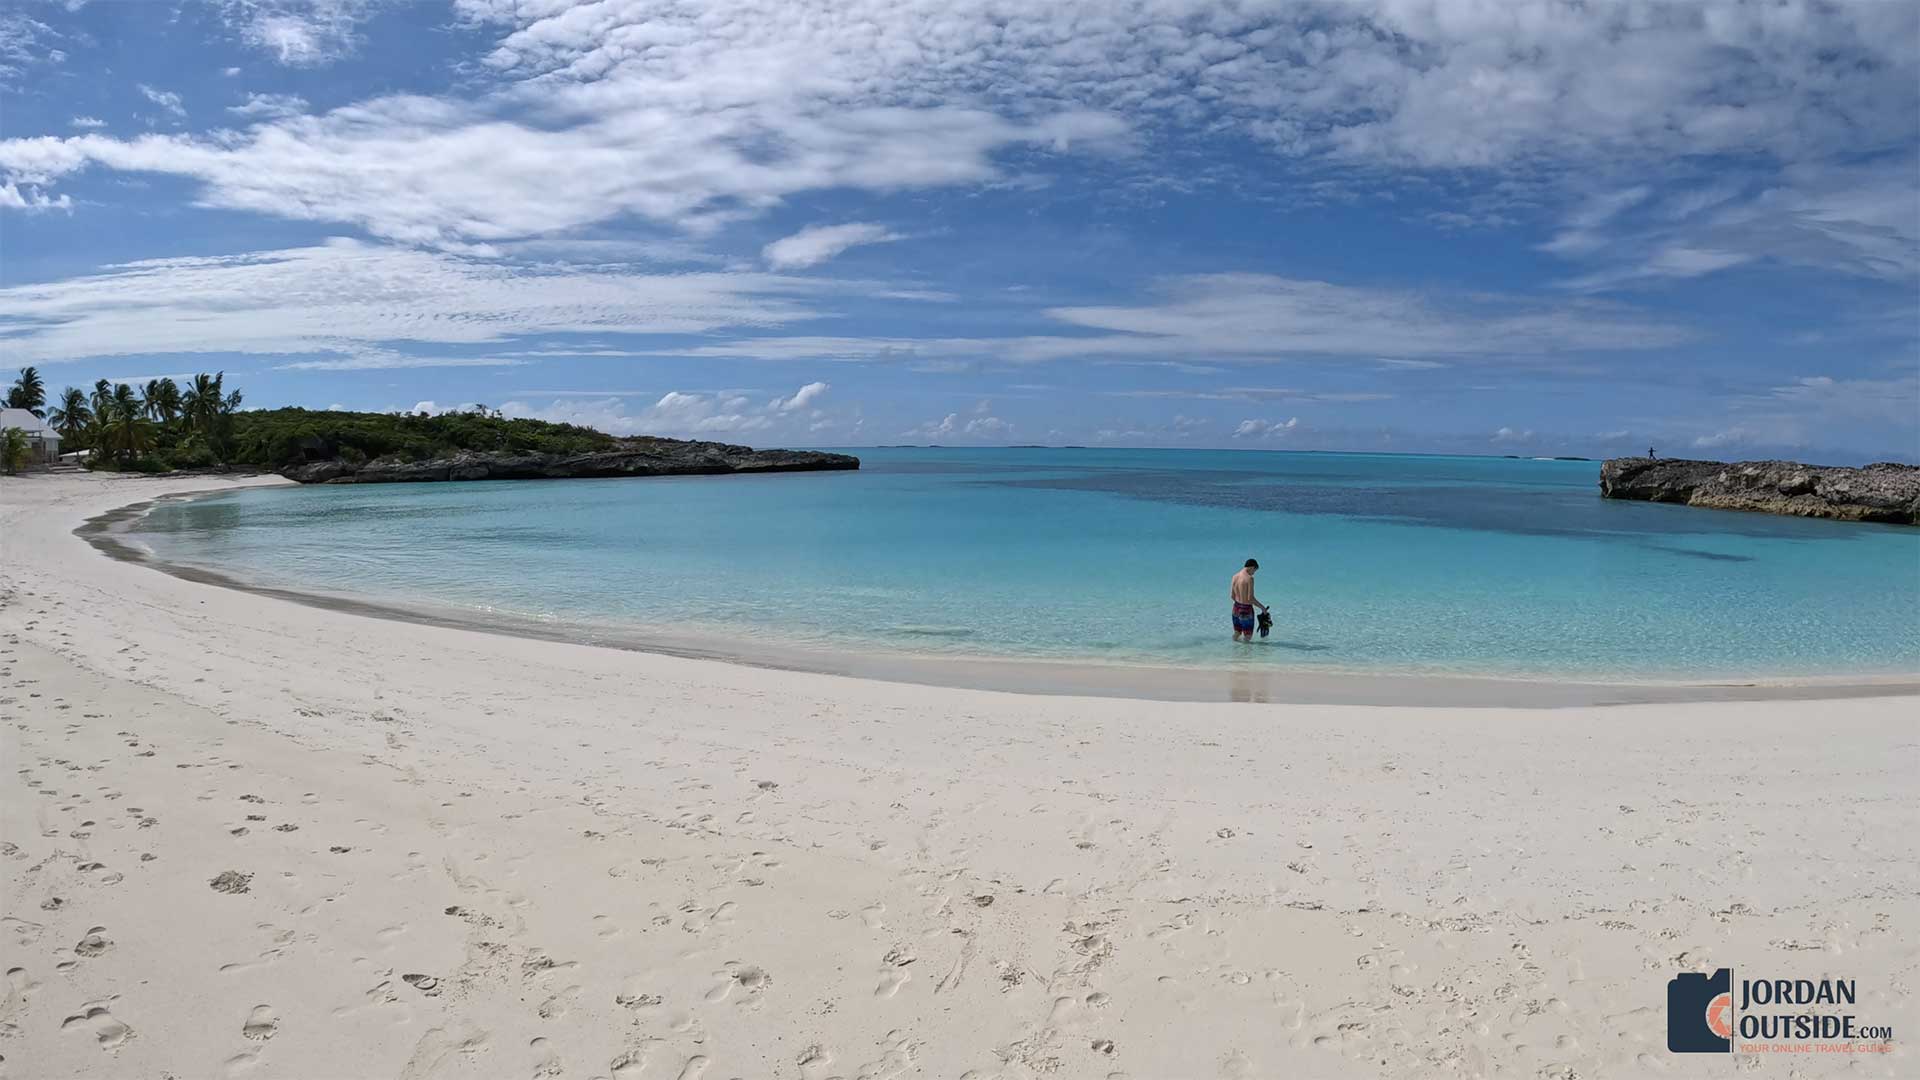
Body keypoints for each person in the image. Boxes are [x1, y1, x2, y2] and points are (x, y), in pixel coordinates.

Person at [1230, 558, 1268, 642]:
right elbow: (1250, 599)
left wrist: (1239, 601)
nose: (1253, 573)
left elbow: (1232, 596)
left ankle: (1233, 652)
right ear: (1251, 567)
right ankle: (1246, 655)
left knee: (1237, 633)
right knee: (1247, 636)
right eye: (1254, 571)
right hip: (1246, 609)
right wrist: (1262, 608)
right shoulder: (1249, 578)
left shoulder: (1234, 576)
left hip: (1235, 608)